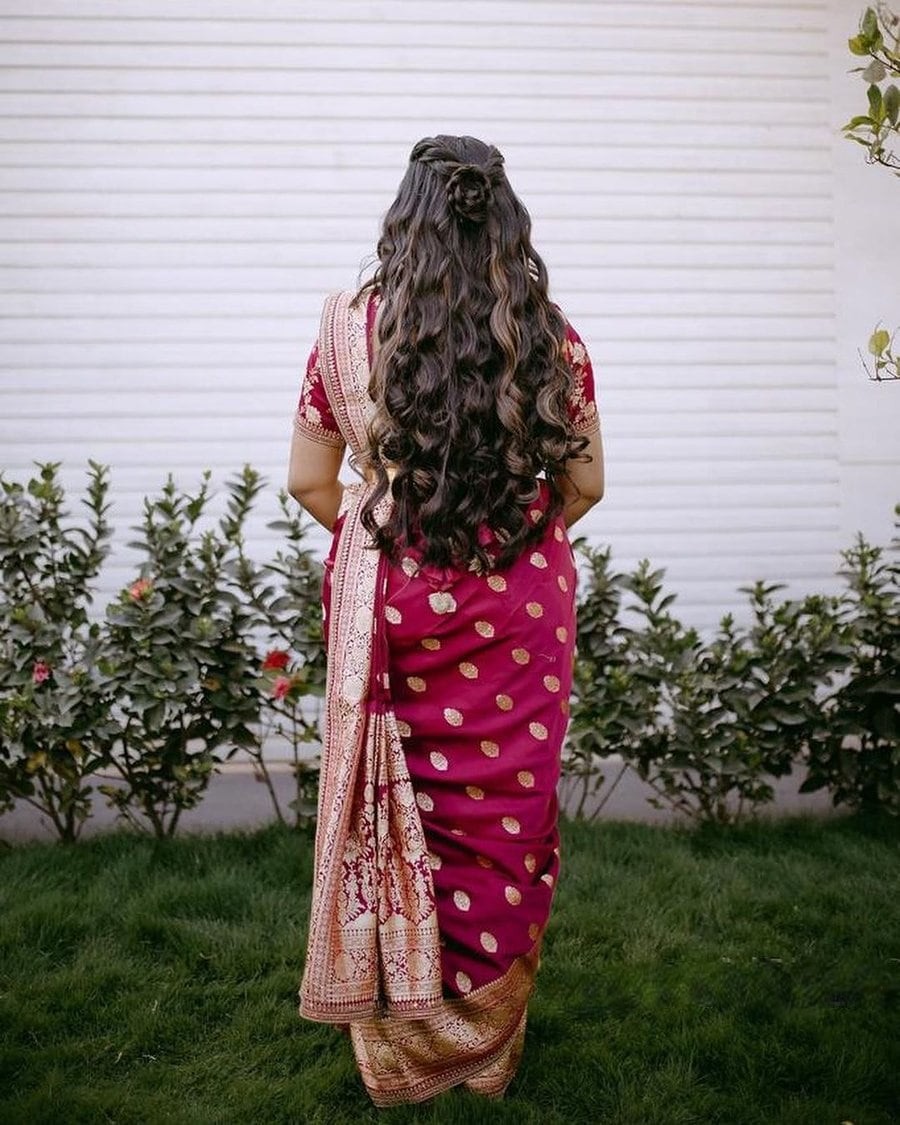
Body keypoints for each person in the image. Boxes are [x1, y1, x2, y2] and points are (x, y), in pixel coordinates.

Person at [287, 134, 604, 1107]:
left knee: (398, 816)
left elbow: (309, 482)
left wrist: (395, 534)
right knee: (503, 826)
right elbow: (583, 484)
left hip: (394, 611)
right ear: (505, 220)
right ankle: (486, 1055)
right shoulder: (548, 336)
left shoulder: (348, 332)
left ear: (406, 218)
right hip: (519, 607)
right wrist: (502, 542)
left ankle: (404, 1052)